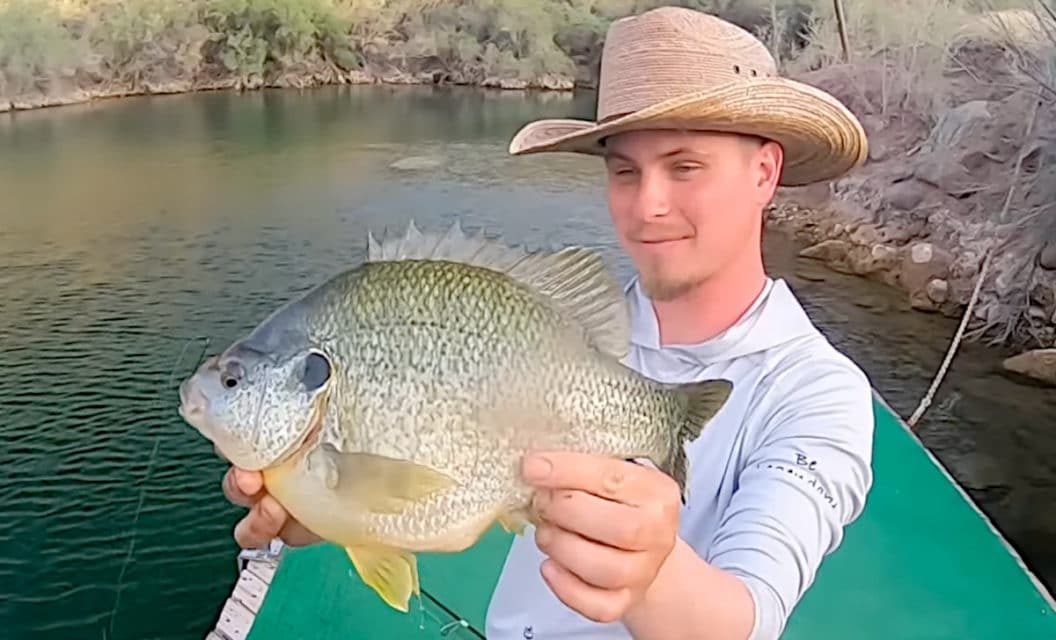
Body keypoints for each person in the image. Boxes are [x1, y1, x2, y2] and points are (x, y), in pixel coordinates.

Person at [222, 7, 876, 640]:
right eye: (625, 171)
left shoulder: (817, 395)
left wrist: (651, 572)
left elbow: (748, 616)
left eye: (684, 167)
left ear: (764, 172)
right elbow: (449, 472)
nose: (648, 204)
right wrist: (336, 507)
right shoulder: (563, 327)